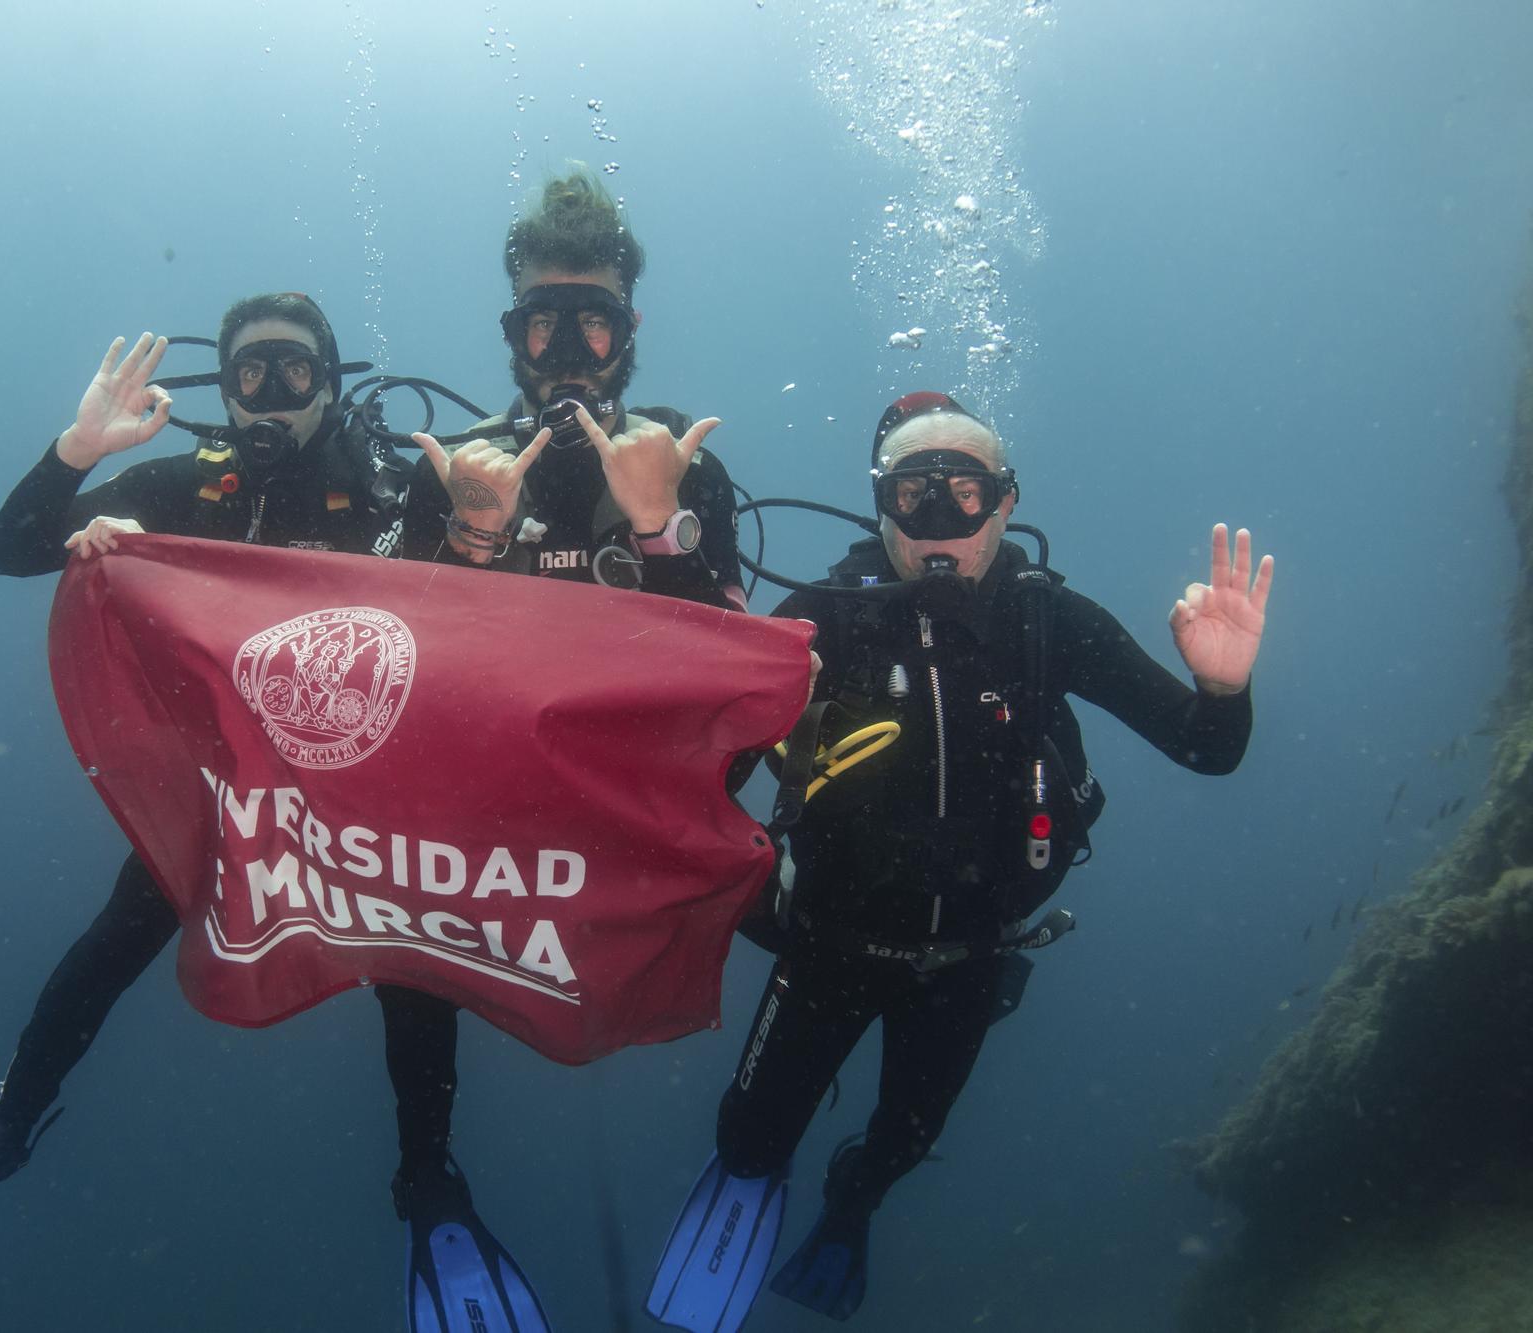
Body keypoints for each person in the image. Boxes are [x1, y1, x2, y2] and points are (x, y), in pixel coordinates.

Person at [0, 292, 411, 1295]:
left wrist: (476, 523)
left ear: (333, 380)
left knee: (419, 960)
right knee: (120, 930)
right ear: (222, 390)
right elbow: (13, 547)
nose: (270, 396)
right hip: (233, 794)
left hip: (374, 797)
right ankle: (6, 1120)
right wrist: (78, 454)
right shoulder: (189, 486)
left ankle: (430, 1174)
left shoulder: (387, 490)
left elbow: (497, 604)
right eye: (250, 375)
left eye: (294, 372)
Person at [644, 392, 1274, 1330]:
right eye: (913, 492)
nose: (939, 517)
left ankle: (853, 1200)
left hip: (971, 960)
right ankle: (757, 1172)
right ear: (879, 502)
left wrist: (1223, 687)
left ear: (1007, 503)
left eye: (964, 491)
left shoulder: (1050, 622)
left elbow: (1205, 748)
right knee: (745, 1140)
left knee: (902, 1142)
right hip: (829, 947)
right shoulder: (821, 621)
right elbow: (696, 778)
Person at [388, 169, 748, 1332]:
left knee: (787, 889)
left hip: (621, 805)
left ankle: (756, 1144)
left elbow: (733, 678)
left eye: (591, 316)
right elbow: (384, 661)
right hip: (477, 800)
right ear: (511, 334)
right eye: (539, 318)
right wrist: (469, 534)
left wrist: (659, 525)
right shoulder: (452, 466)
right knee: (404, 924)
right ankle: (430, 1183)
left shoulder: (686, 465)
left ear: (628, 331)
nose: (566, 345)